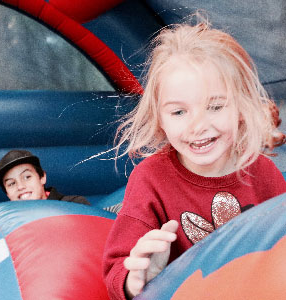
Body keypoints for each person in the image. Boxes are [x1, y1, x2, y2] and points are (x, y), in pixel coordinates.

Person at [102, 20, 286, 300]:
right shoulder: (151, 180)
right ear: (159, 118)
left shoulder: (263, 171)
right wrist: (138, 276)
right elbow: (117, 270)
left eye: (215, 106)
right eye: (179, 112)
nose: (198, 126)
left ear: (240, 107)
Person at [0, 149, 89, 204]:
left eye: (27, 177)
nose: (20, 187)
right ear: (7, 193)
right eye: (11, 183)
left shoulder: (75, 204)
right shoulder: (6, 223)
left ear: (42, 177)